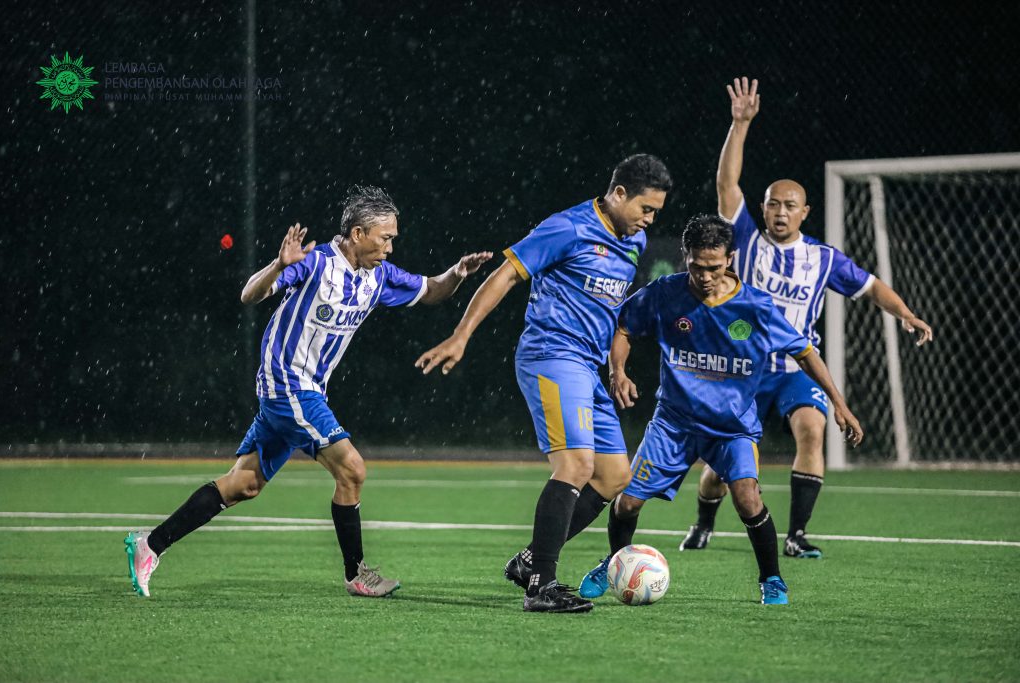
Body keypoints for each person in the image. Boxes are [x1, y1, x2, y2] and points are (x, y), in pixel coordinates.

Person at [125, 185, 492, 598]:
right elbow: (251, 294)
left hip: (306, 391)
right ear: (357, 234)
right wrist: (278, 266)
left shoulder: (379, 277)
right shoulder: (316, 263)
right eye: (385, 237)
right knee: (352, 470)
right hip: (288, 384)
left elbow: (431, 290)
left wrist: (457, 274)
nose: (390, 247)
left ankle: (149, 545)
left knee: (243, 485)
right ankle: (357, 574)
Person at [681, 78, 933, 558]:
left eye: (789, 205)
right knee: (722, 464)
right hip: (744, 369)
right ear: (763, 209)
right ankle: (704, 522)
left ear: (805, 212)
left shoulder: (822, 258)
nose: (779, 211)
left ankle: (795, 535)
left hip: (797, 368)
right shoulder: (746, 240)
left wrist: (906, 314)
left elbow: (872, 286)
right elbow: (726, 184)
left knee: (812, 429)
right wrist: (740, 125)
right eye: (773, 203)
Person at [415, 155, 672, 613]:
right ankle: (542, 585)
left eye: (655, 212)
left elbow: (613, 310)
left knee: (614, 477)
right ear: (618, 194)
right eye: (645, 209)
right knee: (575, 464)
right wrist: (461, 335)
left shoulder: (634, 241)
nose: (649, 220)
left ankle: (529, 561)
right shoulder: (567, 227)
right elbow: (505, 274)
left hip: (589, 367)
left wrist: (616, 367)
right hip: (551, 356)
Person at [577, 214, 864, 605]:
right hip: (673, 423)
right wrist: (618, 370)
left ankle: (772, 579)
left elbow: (805, 351)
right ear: (686, 257)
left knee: (747, 497)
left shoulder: (756, 306)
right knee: (627, 502)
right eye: (697, 266)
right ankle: (614, 561)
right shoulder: (666, 292)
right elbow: (624, 326)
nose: (705, 275)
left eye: (714, 266)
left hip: (732, 428)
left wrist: (839, 403)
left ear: (730, 258)